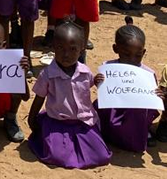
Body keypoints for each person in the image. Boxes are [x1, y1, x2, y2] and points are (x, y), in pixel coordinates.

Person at [27, 22, 111, 169]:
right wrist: (32, 120)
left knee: (101, 155)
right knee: (56, 157)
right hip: (57, 122)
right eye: (61, 48)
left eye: (73, 49)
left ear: (82, 49)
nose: (66, 54)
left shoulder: (85, 71)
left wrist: (97, 81)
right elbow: (39, 98)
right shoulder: (47, 75)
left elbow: (88, 86)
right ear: (53, 47)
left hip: (83, 122)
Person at [95, 17, 160, 152]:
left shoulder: (147, 73)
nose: (131, 60)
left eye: (137, 55)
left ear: (143, 53)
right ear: (115, 49)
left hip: (134, 111)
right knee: (98, 105)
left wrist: (157, 95)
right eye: (126, 54)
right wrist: (98, 81)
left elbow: (151, 98)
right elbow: (104, 91)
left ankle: (141, 133)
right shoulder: (108, 67)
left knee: (141, 111)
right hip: (114, 107)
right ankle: (107, 132)